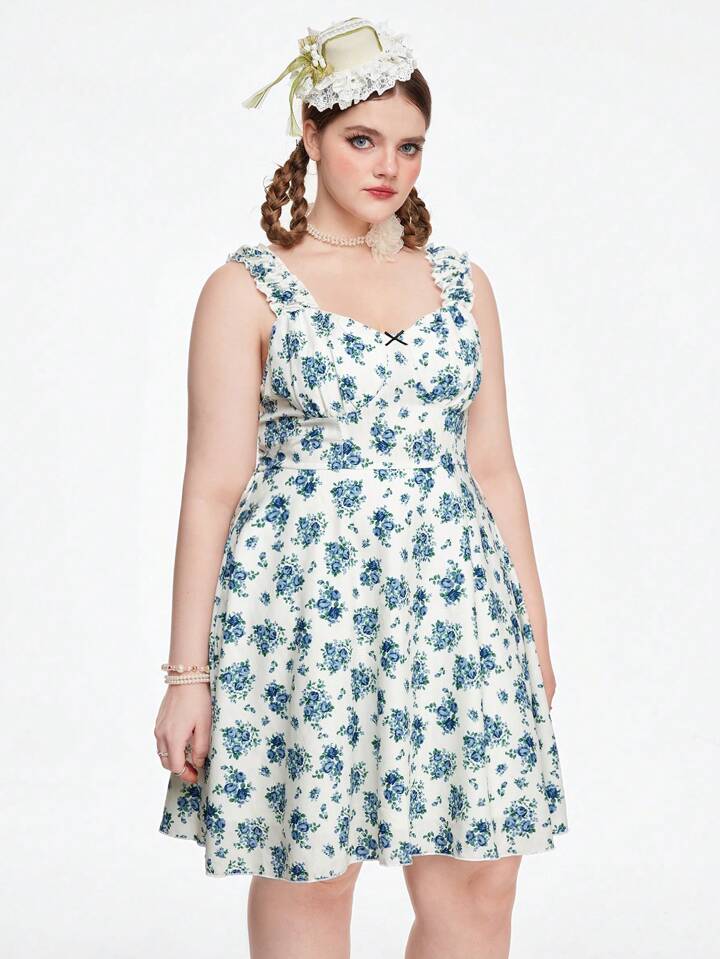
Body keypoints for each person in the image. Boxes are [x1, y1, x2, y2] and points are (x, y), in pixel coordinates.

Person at [154, 15, 569, 958]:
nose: (388, 167)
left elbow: (495, 468)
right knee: (313, 875)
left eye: (409, 146)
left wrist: (534, 637)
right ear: (310, 135)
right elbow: (211, 488)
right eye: (362, 140)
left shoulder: (463, 284)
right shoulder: (247, 287)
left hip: (459, 611)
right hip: (305, 614)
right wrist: (187, 678)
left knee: (481, 880)